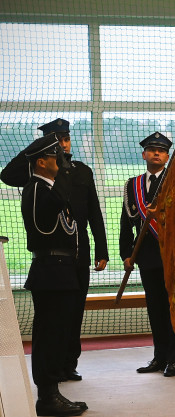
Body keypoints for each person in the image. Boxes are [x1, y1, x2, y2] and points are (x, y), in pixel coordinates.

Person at [2, 118, 107, 383]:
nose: (63, 144)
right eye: (56, 141)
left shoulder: (82, 171)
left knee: (74, 312)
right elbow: (7, 176)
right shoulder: (40, 172)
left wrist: (101, 249)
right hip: (53, 252)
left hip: (78, 249)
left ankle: (69, 363)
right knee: (55, 317)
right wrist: (38, 149)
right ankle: (53, 368)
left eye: (65, 139)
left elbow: (94, 212)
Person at [18, 134, 88, 416]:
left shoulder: (51, 188)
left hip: (62, 270)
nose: (60, 163)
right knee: (49, 334)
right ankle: (46, 396)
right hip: (49, 269)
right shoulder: (36, 188)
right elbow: (44, 222)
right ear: (41, 162)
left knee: (60, 333)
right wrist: (64, 180)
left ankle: (53, 392)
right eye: (55, 158)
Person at [120, 132, 175, 377]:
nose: (156, 153)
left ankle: (174, 360)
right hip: (145, 255)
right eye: (151, 149)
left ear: (167, 156)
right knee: (155, 309)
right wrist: (126, 253)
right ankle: (159, 357)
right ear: (144, 154)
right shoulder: (132, 184)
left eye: (161, 150)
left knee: (173, 309)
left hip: (171, 254)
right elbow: (126, 222)